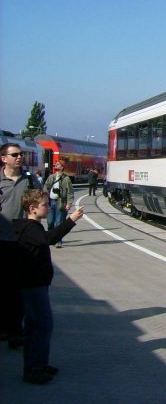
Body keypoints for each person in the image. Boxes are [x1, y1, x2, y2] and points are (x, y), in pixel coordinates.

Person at [14, 189, 84, 384]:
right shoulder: (31, 229)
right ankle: (34, 370)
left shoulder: (29, 227)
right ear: (32, 208)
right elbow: (49, 239)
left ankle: (38, 364)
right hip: (33, 285)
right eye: (45, 204)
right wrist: (72, 220)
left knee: (34, 326)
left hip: (35, 284)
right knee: (42, 325)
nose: (48, 206)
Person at [0, 143, 36, 349]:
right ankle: (3, 327)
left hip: (22, 242)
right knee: (3, 288)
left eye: (21, 154)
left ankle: (15, 330)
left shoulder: (30, 180)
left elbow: (40, 203)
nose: (20, 157)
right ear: (4, 158)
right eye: (15, 154)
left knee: (19, 289)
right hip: (1, 241)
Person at [42, 161, 74, 247]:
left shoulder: (66, 179)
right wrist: (45, 197)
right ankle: (50, 238)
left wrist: (69, 203)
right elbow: (45, 186)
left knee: (58, 223)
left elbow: (70, 192)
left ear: (62, 167)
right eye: (55, 164)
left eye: (58, 164)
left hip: (60, 203)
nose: (55, 165)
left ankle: (58, 241)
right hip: (50, 202)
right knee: (50, 222)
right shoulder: (51, 177)